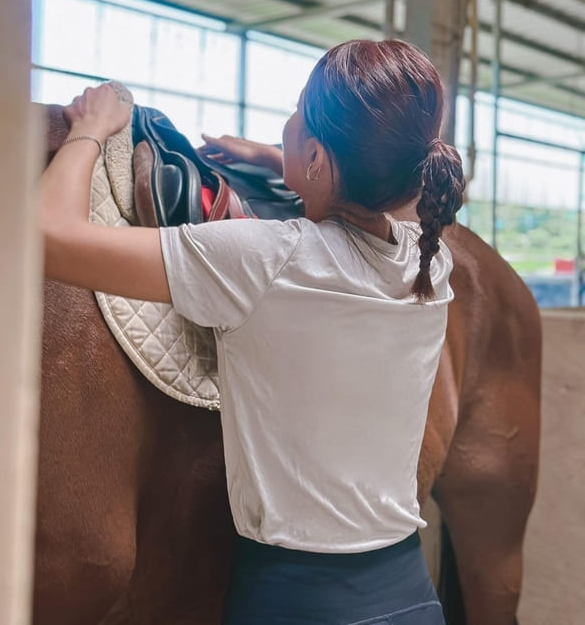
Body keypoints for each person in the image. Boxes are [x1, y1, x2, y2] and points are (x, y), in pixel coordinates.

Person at [41, 39, 463, 624]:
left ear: (317, 156)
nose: (286, 125)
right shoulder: (429, 261)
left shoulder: (268, 258)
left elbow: (49, 239)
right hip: (410, 594)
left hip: (295, 604)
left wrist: (91, 128)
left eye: (296, 117)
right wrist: (280, 159)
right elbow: (396, 186)